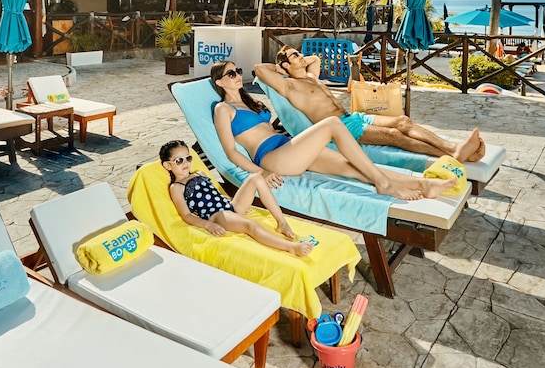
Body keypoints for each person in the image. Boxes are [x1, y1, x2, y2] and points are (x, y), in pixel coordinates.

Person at [210, 62, 459, 202]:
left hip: (287, 148)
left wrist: (283, 67)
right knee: (332, 124)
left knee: (353, 166)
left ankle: (424, 184)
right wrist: (260, 172)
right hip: (271, 158)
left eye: (238, 71)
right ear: (220, 82)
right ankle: (384, 184)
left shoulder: (249, 101)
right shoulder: (223, 109)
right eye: (230, 74)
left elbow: (261, 69)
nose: (237, 75)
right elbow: (231, 152)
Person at [253, 45, 486, 163]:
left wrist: (295, 59)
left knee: (402, 121)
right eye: (296, 55)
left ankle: (452, 147)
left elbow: (315, 59)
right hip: (340, 128)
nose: (302, 56)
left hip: (352, 117)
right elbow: (259, 69)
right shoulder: (290, 86)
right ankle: (451, 153)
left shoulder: (311, 77)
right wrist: (281, 66)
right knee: (395, 136)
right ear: (285, 66)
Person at [160, 139, 314, 257]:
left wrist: (230, 200)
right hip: (216, 215)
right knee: (250, 225)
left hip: (229, 206)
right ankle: (291, 248)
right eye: (179, 161)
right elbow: (186, 215)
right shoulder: (177, 187)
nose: (185, 163)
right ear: (168, 165)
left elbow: (215, 194)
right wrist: (208, 225)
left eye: (188, 158)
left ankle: (282, 223)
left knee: (256, 178)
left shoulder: (199, 173)